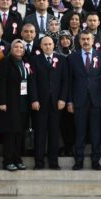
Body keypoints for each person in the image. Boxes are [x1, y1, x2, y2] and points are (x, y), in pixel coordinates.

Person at [66, 31, 101, 171]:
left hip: (96, 100)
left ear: (93, 41)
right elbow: (69, 81)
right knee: (80, 132)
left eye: (88, 39)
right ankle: (78, 161)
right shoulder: (72, 57)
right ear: (79, 41)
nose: (85, 41)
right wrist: (69, 101)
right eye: (83, 39)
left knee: (95, 132)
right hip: (79, 100)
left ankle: (95, 161)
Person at [29, 36, 68, 169]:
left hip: (56, 103)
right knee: (40, 133)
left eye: (50, 44)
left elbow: (65, 81)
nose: (47, 46)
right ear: (41, 46)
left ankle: (53, 162)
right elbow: (32, 81)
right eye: (45, 44)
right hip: (40, 102)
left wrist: (63, 98)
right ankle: (39, 162)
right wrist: (34, 99)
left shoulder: (61, 59)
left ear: (54, 45)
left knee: (54, 133)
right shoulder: (35, 60)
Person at [0, 39, 30, 171]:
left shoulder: (25, 62)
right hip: (10, 102)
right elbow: (2, 83)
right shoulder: (6, 62)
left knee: (20, 133)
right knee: (10, 133)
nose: (19, 49)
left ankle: (18, 159)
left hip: (23, 102)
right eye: (16, 47)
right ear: (11, 49)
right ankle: (8, 161)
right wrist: (2, 102)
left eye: (21, 47)